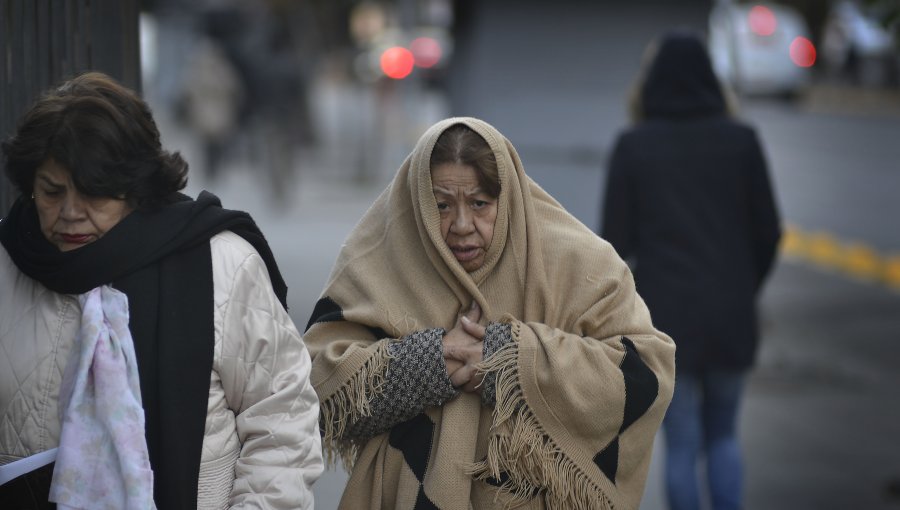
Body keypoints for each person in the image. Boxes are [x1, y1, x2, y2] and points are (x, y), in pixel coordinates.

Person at [305, 117, 676, 509]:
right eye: (442, 205)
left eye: (480, 203)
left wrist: (507, 360)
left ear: (509, 196)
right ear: (418, 203)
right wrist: (428, 363)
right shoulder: (381, 260)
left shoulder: (580, 264)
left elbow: (647, 371)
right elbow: (312, 382)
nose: (462, 225)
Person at [0, 71, 323, 509]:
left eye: (95, 194)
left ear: (136, 189)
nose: (70, 212)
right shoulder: (8, 263)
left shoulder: (220, 264)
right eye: (52, 192)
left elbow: (283, 421)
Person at [601, 32, 782, 510]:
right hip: (732, 315)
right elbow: (769, 233)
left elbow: (613, 248)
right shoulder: (742, 141)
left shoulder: (634, 146)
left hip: (667, 321)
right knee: (723, 436)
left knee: (680, 444)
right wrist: (744, 285)